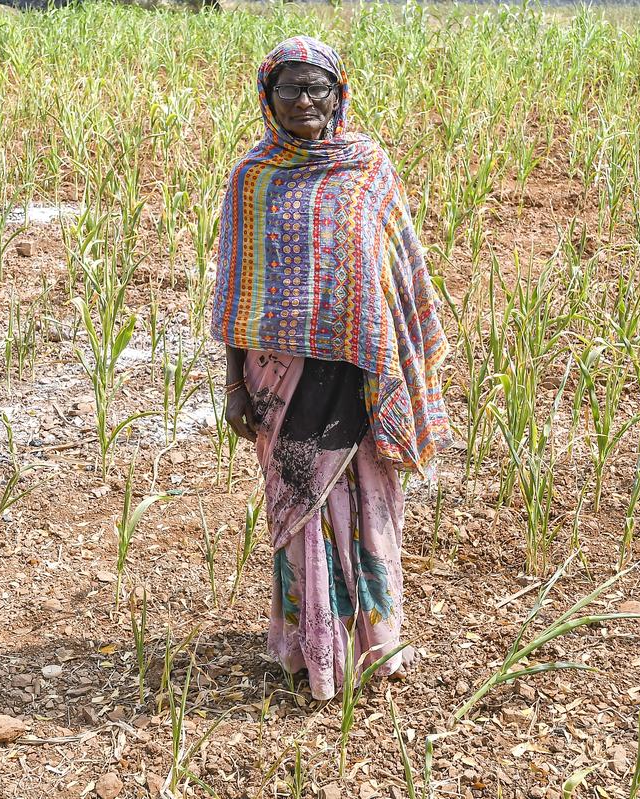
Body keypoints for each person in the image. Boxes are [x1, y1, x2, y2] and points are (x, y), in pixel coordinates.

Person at [210, 36, 450, 701]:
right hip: (279, 383)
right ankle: (308, 645)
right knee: (299, 510)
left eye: (318, 88)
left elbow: (401, 272)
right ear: (268, 97)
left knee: (367, 501)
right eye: (290, 89)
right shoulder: (251, 179)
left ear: (339, 95)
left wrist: (397, 356)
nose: (305, 102)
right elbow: (235, 293)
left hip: (359, 375)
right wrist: (234, 384)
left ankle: (372, 641)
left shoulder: (368, 167)